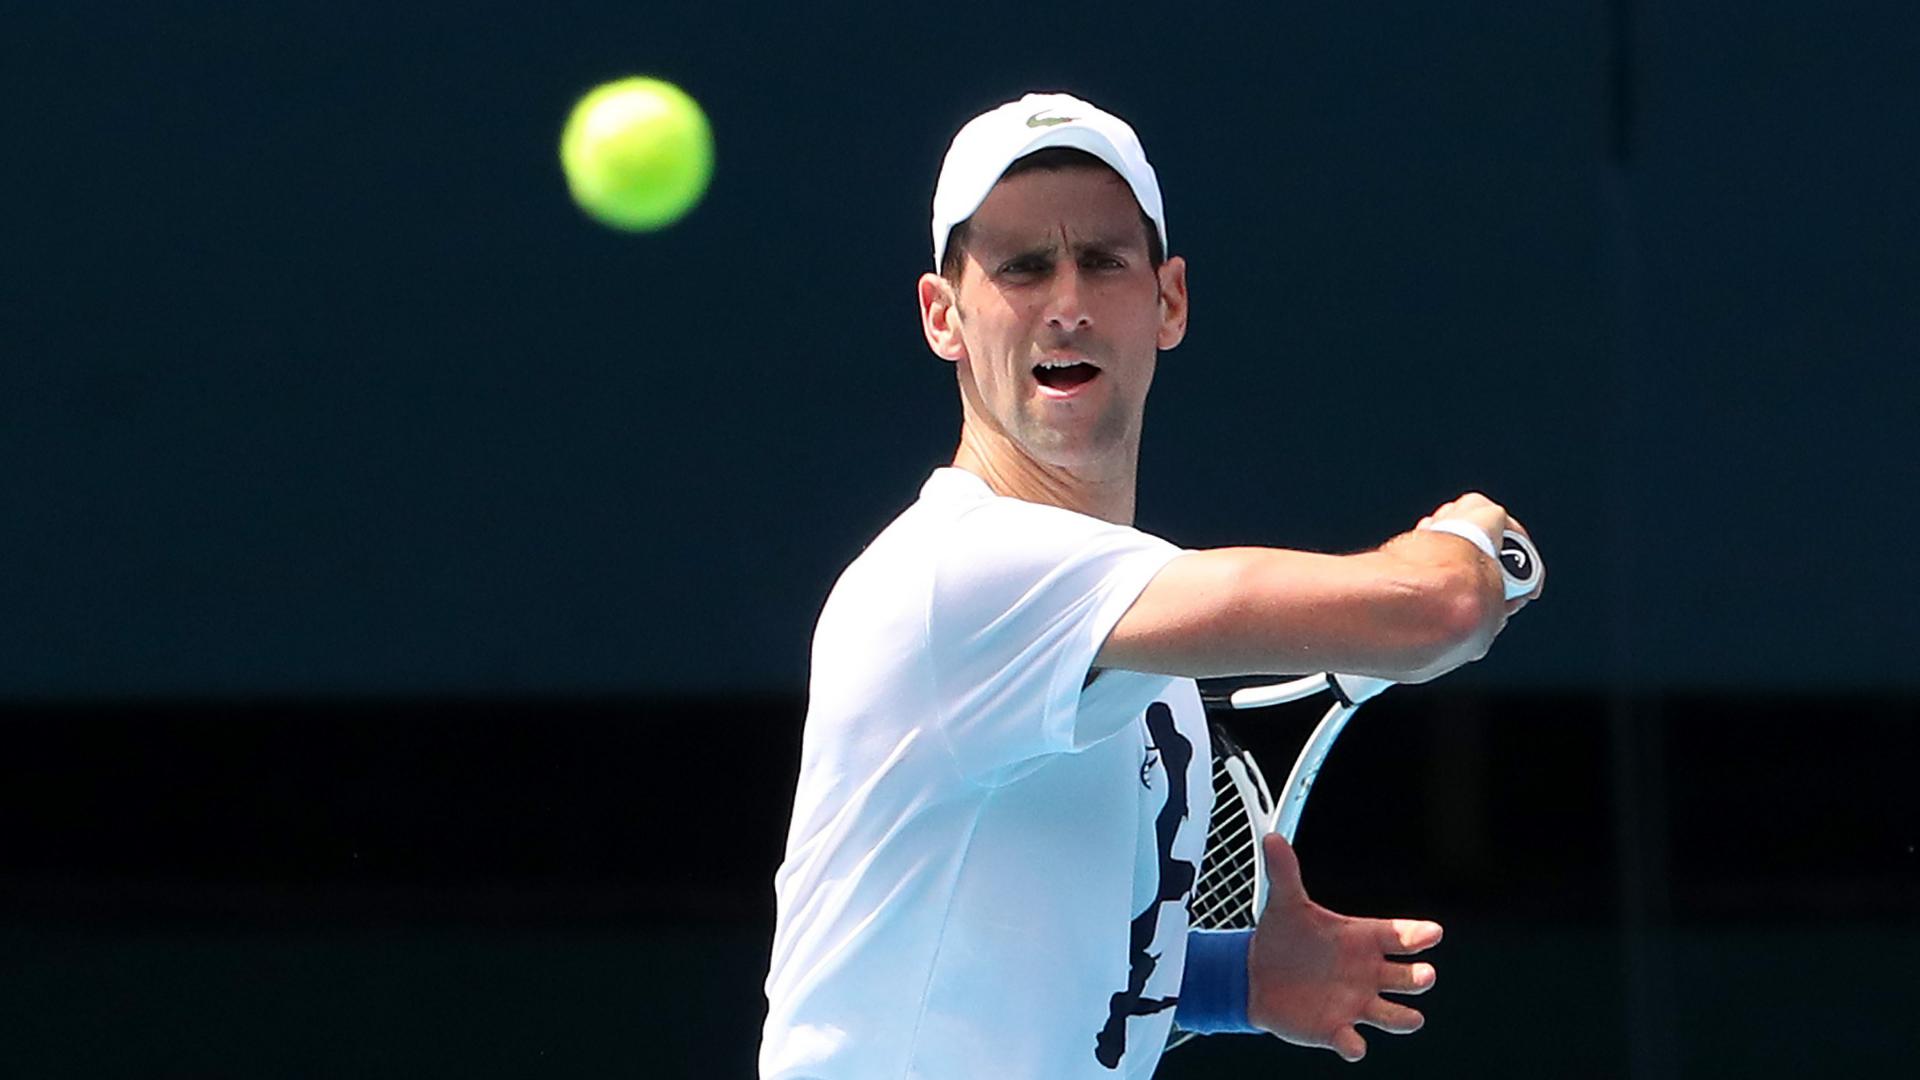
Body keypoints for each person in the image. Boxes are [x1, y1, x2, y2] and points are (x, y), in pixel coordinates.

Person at [759, 92, 1537, 1080]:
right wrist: (1473, 542)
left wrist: (1232, 984)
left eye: (1104, 261)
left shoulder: (1146, 669)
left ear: (1169, 299)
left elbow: (1048, 981)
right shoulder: (957, 572)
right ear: (942, 316)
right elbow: (1441, 611)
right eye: (1024, 267)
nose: (1068, 302)